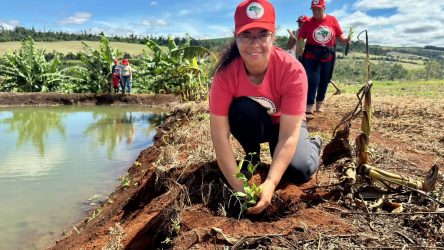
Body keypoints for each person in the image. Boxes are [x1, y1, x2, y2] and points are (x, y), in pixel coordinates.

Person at [209, 0, 322, 215]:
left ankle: (314, 144)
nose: (254, 44)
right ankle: (252, 153)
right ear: (236, 37)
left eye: (262, 34)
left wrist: (270, 183)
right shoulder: (225, 75)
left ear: (273, 36)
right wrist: (240, 188)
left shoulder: (292, 71)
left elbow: (288, 135)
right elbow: (219, 134)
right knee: (239, 109)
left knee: (300, 170)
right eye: (246, 35)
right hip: (258, 122)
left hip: (286, 125)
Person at [297, 0, 350, 114]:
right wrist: (299, 52)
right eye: (314, 9)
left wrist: (346, 40)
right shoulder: (308, 22)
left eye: (318, 9)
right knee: (312, 79)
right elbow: (301, 38)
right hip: (311, 54)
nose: (316, 12)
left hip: (327, 54)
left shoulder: (332, 20)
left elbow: (340, 36)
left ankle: (320, 103)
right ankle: (309, 104)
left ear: (324, 8)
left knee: (324, 80)